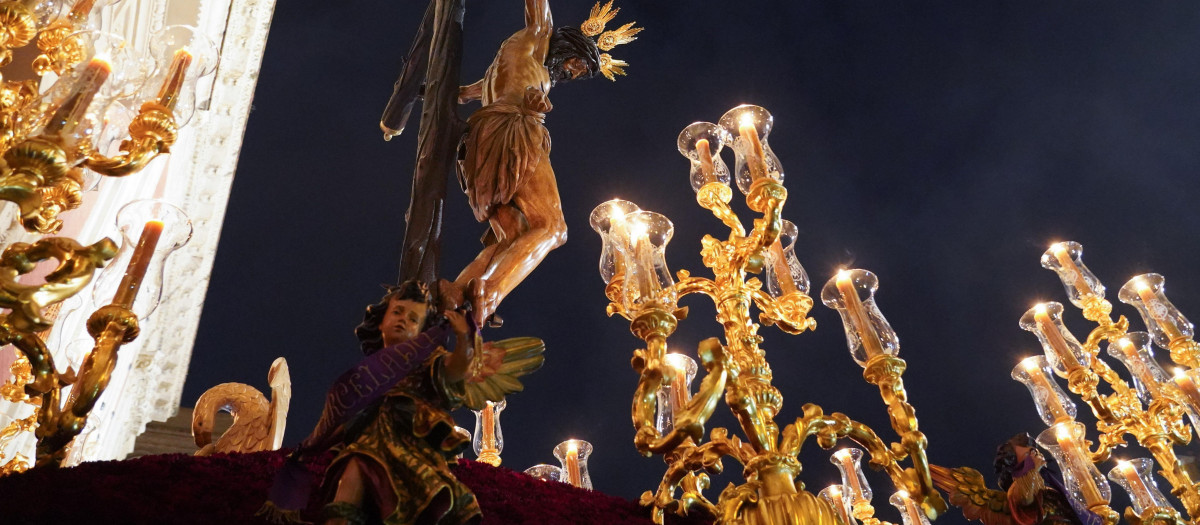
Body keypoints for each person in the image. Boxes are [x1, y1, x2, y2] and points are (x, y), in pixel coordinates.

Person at [449, 0, 637, 324]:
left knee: (513, 236)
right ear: (570, 46)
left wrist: (437, 92)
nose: (575, 72)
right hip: (513, 131)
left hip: (478, 140)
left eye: (582, 73)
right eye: (580, 63)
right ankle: (489, 294)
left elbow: (465, 93)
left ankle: (454, 296)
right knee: (552, 227)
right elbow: (538, 10)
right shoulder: (537, 35)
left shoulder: (507, 68)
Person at [258, 281, 478, 525]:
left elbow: (457, 370)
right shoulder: (370, 372)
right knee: (351, 474)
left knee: (406, 498)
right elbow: (348, 415)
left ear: (423, 331)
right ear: (381, 321)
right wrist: (315, 444)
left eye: (414, 319)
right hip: (368, 441)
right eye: (397, 312)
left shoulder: (427, 360)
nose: (403, 320)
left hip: (411, 445)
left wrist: (464, 337)